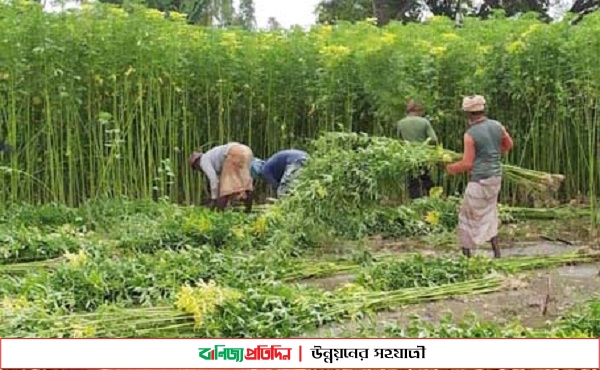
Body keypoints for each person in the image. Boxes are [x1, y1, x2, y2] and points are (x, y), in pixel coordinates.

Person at [445, 95, 514, 259]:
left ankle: (466, 257)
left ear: (468, 114)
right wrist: (494, 155)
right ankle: (497, 254)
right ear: (483, 110)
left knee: (466, 216)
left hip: (480, 180)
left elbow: (467, 163)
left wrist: (451, 168)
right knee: (490, 214)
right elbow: (509, 144)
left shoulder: (470, 134)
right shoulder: (497, 126)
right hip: (496, 177)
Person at [189, 142, 254, 212]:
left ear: (196, 163)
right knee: (246, 186)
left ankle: (219, 214)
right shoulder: (212, 156)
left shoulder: (203, 160)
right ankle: (248, 211)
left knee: (224, 190)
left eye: (196, 168)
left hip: (233, 152)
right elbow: (219, 179)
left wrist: (213, 199)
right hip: (246, 151)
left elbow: (213, 179)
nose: (199, 170)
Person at [395, 99, 438, 199]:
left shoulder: (400, 123)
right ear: (419, 110)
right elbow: (434, 139)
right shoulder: (424, 122)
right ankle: (431, 200)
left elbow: (398, 141)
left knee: (412, 181)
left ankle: (415, 202)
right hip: (423, 156)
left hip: (408, 156)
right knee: (426, 178)